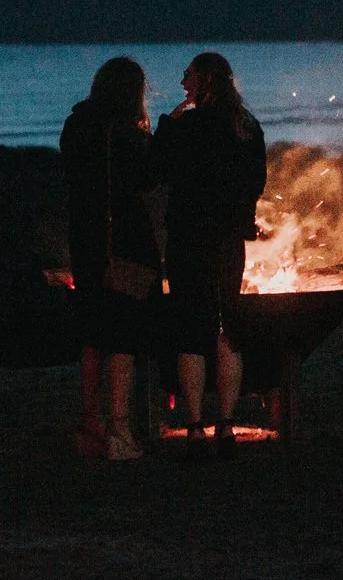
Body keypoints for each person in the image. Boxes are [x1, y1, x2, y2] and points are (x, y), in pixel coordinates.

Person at [150, 51, 267, 459]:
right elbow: (257, 183)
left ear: (205, 80)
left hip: (187, 238)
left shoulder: (189, 125)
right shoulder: (247, 127)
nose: (182, 82)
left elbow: (156, 171)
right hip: (229, 240)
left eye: (187, 75)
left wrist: (167, 123)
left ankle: (197, 424)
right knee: (227, 325)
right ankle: (228, 423)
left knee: (191, 325)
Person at [59, 57, 161, 462]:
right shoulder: (124, 133)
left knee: (93, 333)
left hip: (86, 241)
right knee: (123, 334)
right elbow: (148, 179)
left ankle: (90, 421)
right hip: (125, 241)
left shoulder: (75, 124)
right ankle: (119, 429)